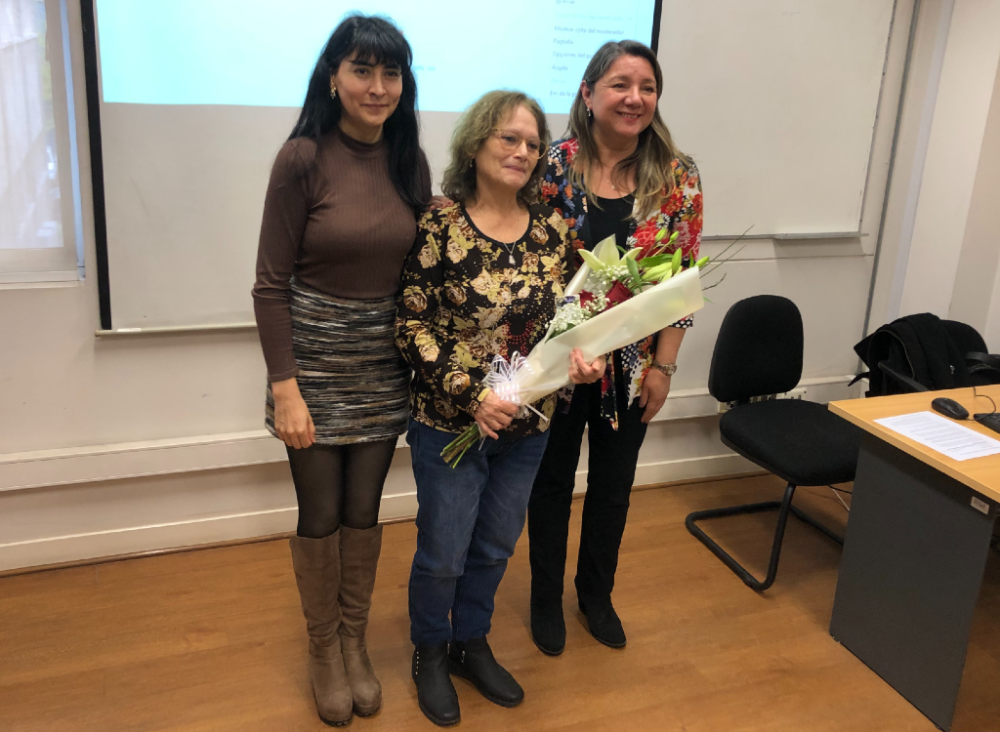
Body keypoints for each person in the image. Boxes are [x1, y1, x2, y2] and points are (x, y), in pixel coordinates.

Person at [395, 90, 605, 727]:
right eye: (508, 138)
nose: (522, 151)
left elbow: (571, 322)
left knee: (492, 547)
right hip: (448, 423)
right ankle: (431, 650)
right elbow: (411, 325)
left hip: (528, 426)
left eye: (533, 143)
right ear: (475, 144)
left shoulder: (553, 233)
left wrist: (585, 358)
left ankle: (471, 642)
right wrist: (473, 395)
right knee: (444, 552)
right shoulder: (440, 228)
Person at [251, 15, 430, 727]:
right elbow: (270, 286)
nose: (377, 86)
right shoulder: (301, 158)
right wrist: (285, 390)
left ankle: (355, 641)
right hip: (314, 368)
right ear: (333, 77)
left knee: (364, 511)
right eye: (362, 70)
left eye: (391, 73)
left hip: (383, 367)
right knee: (320, 514)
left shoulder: (409, 161)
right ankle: (323, 648)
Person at [527, 40, 705, 655]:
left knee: (613, 485)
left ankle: (595, 595)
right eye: (620, 85)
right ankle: (544, 599)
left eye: (647, 87)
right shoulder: (551, 165)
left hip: (631, 371)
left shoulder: (677, 176)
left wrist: (665, 367)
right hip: (557, 363)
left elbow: (681, 277)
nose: (635, 98)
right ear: (588, 93)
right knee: (549, 483)